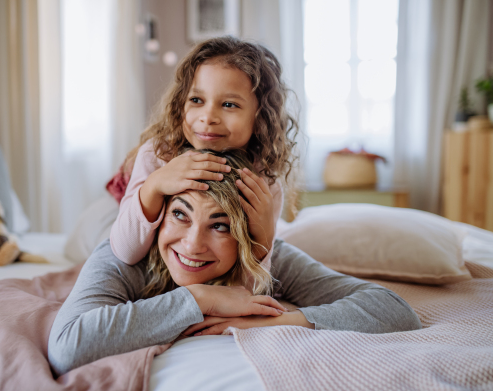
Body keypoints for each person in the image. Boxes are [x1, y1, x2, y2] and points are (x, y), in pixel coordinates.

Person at [48, 150, 422, 376]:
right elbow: (68, 349)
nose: (193, 244)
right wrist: (200, 299)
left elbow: (393, 310)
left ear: (245, 236)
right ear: (162, 213)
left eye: (220, 224)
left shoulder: (267, 259)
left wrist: (279, 320)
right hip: (105, 224)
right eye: (181, 214)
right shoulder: (124, 256)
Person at [109, 36, 298, 274]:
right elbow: (125, 252)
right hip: (120, 208)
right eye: (196, 100)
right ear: (180, 104)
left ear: (260, 118)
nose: (208, 117)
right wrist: (154, 185)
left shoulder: (265, 183)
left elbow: (251, 289)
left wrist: (263, 239)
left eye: (229, 104)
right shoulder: (158, 155)